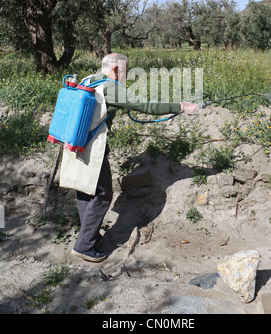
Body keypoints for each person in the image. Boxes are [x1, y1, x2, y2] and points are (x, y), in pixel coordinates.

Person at [66, 52, 198, 263]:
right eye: (126, 71)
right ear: (117, 69)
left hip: (74, 144)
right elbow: (147, 106)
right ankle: (83, 246)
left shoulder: (88, 79)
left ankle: (87, 236)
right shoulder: (110, 88)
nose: (126, 76)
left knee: (85, 190)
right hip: (92, 150)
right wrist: (180, 107)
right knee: (102, 195)